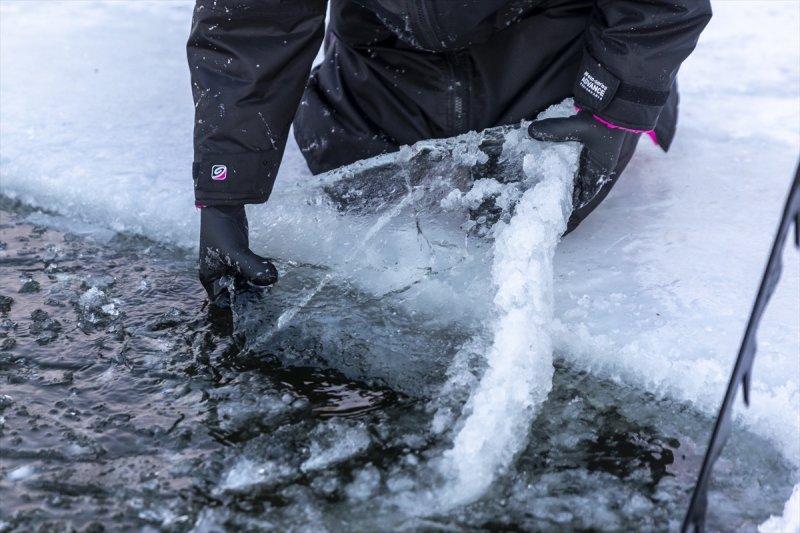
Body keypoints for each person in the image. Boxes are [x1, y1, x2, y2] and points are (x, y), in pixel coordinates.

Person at [188, 0, 712, 301]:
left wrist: (613, 105)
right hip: (379, 86)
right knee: (358, 185)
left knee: (516, 219)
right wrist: (224, 188)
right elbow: (254, 19)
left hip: (558, 81)